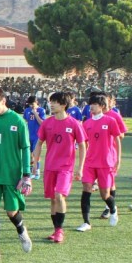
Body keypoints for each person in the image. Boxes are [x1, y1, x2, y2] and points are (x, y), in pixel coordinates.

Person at [0, 86, 33, 260]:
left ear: (3, 101)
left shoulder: (17, 120)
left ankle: (21, 229)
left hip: (12, 175)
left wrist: (26, 175)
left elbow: (25, 148)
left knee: (11, 211)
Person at [32, 91, 86, 243]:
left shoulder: (74, 123)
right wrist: (35, 162)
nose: (51, 104)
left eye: (54, 102)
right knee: (52, 199)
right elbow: (39, 143)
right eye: (51, 102)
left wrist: (80, 168)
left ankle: (60, 230)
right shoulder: (47, 123)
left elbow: (82, 146)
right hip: (50, 166)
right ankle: (56, 230)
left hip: (66, 167)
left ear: (63, 105)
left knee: (59, 195)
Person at [76, 94, 121, 231]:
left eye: (95, 104)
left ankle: (113, 209)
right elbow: (84, 143)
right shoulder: (87, 123)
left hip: (105, 163)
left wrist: (118, 159)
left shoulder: (110, 121)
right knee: (86, 189)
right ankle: (86, 222)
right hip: (90, 162)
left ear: (102, 106)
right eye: (91, 104)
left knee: (105, 194)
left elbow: (117, 139)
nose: (92, 107)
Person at [99, 93, 127, 218]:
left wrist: (111, 134)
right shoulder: (95, 115)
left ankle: (109, 208)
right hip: (97, 153)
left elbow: (121, 135)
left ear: (111, 101)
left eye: (107, 100)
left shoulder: (115, 116)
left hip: (111, 152)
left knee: (110, 181)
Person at [23, 96, 46, 179]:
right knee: (29, 155)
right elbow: (25, 121)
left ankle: (37, 172)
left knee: (36, 154)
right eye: (30, 104)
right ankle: (31, 170)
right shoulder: (27, 110)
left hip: (37, 136)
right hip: (29, 135)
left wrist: (35, 113)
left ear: (36, 102)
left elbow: (42, 123)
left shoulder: (41, 110)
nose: (31, 106)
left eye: (32, 104)